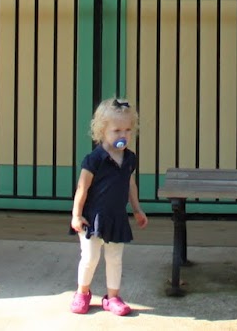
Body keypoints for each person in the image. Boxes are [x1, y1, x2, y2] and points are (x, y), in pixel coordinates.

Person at [69, 97, 148, 315]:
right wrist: (76, 215)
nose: (123, 135)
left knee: (114, 258)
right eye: (116, 130)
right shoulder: (94, 159)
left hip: (116, 217)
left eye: (128, 130)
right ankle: (82, 292)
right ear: (102, 131)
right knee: (90, 257)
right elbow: (82, 189)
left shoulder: (130, 159)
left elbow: (130, 184)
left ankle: (112, 297)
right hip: (92, 218)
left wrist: (137, 210)